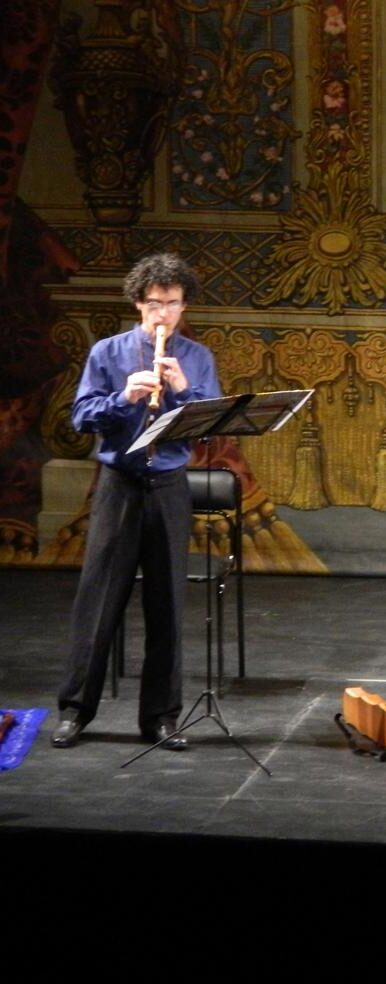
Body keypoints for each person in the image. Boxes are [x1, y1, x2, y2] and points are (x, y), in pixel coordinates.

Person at [52, 253, 221, 749]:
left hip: (168, 486)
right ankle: (76, 711)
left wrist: (183, 390)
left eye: (171, 304)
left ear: (183, 305)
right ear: (137, 303)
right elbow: (81, 416)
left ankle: (162, 718)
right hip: (120, 484)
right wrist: (124, 397)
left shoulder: (197, 358)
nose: (162, 314)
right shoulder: (108, 353)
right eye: (153, 304)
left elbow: (210, 426)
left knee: (166, 603)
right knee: (98, 600)